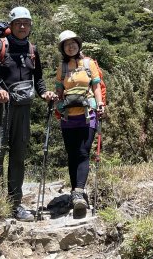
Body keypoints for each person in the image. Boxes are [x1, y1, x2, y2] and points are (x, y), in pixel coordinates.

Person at [0, 6, 56, 221]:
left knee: (18, 155)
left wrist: (44, 93)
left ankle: (15, 205)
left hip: (23, 108)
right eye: (18, 23)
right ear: (11, 26)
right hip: (2, 107)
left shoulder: (32, 50)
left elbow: (38, 78)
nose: (23, 26)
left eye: (26, 23)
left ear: (30, 26)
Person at [55, 30, 104, 217]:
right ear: (63, 48)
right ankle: (77, 194)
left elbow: (96, 86)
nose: (71, 46)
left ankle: (78, 191)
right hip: (68, 116)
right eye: (67, 44)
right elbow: (59, 90)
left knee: (83, 152)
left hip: (87, 114)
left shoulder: (89, 63)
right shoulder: (62, 67)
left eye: (73, 43)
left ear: (78, 44)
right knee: (72, 154)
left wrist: (100, 103)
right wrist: (56, 103)